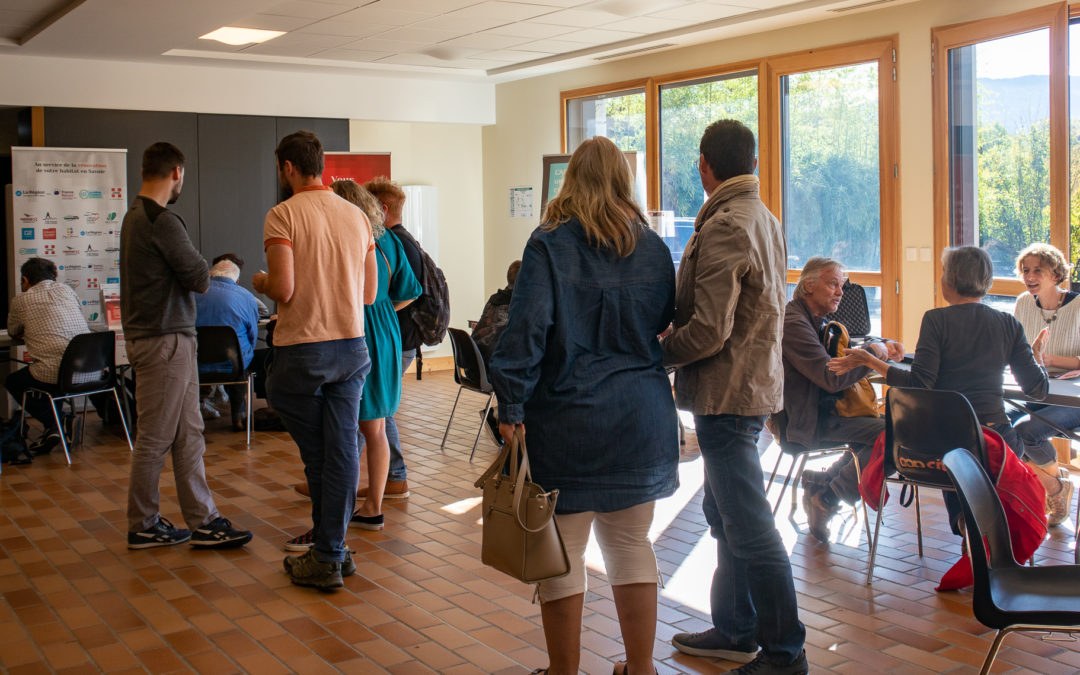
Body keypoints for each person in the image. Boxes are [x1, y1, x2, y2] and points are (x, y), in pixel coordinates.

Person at [490, 136, 678, 675]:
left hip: (568, 418)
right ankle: (640, 668)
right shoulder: (653, 246)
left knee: (563, 556)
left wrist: (511, 405)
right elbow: (664, 318)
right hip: (642, 415)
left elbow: (526, 331)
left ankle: (564, 672)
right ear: (624, 180)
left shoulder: (549, 244)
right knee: (630, 545)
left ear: (572, 179)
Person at [661, 119, 807, 674]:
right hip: (751, 387)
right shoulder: (763, 217)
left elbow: (709, 330)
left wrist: (655, 359)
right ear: (753, 163)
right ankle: (736, 628)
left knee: (749, 526)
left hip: (728, 393)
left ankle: (784, 652)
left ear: (704, 165)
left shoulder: (726, 223)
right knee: (723, 513)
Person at [830, 245, 1049, 533]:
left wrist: (874, 362)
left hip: (938, 449)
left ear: (950, 281)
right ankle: (979, 529)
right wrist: (1037, 357)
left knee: (954, 444)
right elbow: (1037, 389)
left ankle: (966, 526)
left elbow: (920, 385)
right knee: (1006, 440)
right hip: (993, 442)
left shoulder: (936, 320)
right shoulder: (1008, 324)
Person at [253, 130, 377, 590]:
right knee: (342, 451)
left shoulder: (283, 215)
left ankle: (327, 555)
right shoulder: (357, 216)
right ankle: (333, 551)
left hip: (303, 353)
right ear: (320, 164)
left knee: (321, 457)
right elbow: (369, 294)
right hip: (352, 349)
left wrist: (261, 280)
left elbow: (283, 289)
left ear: (287, 167)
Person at [121, 141, 252, 551]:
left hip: (164, 338)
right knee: (156, 436)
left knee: (189, 432)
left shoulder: (132, 217)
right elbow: (199, 276)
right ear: (177, 172)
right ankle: (142, 523)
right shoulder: (162, 221)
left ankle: (204, 520)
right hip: (164, 340)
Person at [283, 180, 419, 550]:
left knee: (347, 428)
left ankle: (345, 513)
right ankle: (371, 505)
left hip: (354, 329)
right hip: (386, 329)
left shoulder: (345, 235)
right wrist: (384, 312)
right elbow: (410, 290)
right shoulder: (387, 239)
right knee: (375, 425)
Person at [780, 257, 905, 542]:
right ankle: (826, 496)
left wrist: (871, 350)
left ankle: (823, 485)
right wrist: (874, 354)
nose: (840, 292)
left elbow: (834, 360)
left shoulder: (813, 319)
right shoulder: (793, 322)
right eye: (833, 284)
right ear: (809, 285)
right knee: (896, 434)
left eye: (842, 285)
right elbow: (831, 377)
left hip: (827, 412)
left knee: (894, 428)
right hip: (807, 421)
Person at [363, 176, 424, 499]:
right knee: (375, 412)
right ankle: (382, 479)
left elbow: (409, 292)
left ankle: (393, 476)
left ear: (381, 208)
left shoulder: (392, 241)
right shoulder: (400, 240)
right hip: (393, 336)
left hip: (392, 339)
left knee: (375, 413)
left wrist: (381, 309)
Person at [1009, 243, 1076, 525]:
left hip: (1073, 396)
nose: (1030, 276)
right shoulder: (1023, 302)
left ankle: (1054, 490)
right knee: (993, 430)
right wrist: (1029, 357)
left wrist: (1048, 358)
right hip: (1035, 388)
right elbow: (1014, 349)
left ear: (1055, 273)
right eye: (1025, 270)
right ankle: (1057, 487)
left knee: (1026, 432)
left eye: (1038, 270)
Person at [4, 257, 88, 454]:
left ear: (24, 280)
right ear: (54, 276)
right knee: (52, 373)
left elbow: (13, 331)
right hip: (89, 370)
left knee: (14, 381)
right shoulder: (68, 291)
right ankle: (54, 428)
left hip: (55, 372)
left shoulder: (21, 300)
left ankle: (59, 422)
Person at [194, 257, 260, 431]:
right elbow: (253, 336)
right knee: (241, 368)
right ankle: (238, 418)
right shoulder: (246, 296)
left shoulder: (191, 294)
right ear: (237, 280)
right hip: (233, 366)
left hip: (194, 364)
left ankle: (194, 416)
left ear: (210, 274)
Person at [471, 259, 521, 444]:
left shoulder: (494, 298)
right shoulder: (518, 304)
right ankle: (499, 415)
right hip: (495, 370)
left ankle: (500, 414)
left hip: (475, 365)